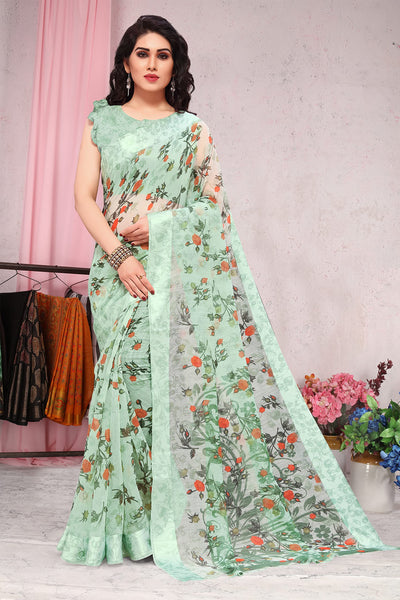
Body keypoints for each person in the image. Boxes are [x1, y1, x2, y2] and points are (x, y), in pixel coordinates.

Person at [58, 15, 390, 580]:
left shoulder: (193, 131)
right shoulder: (101, 122)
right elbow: (83, 198)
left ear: (175, 65)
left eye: (163, 55)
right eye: (142, 53)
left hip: (172, 277)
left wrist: (160, 227)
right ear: (126, 62)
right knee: (124, 390)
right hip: (118, 275)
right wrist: (120, 255)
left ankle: (171, 521)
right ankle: (127, 524)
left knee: (165, 391)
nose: (152, 64)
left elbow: (214, 212)